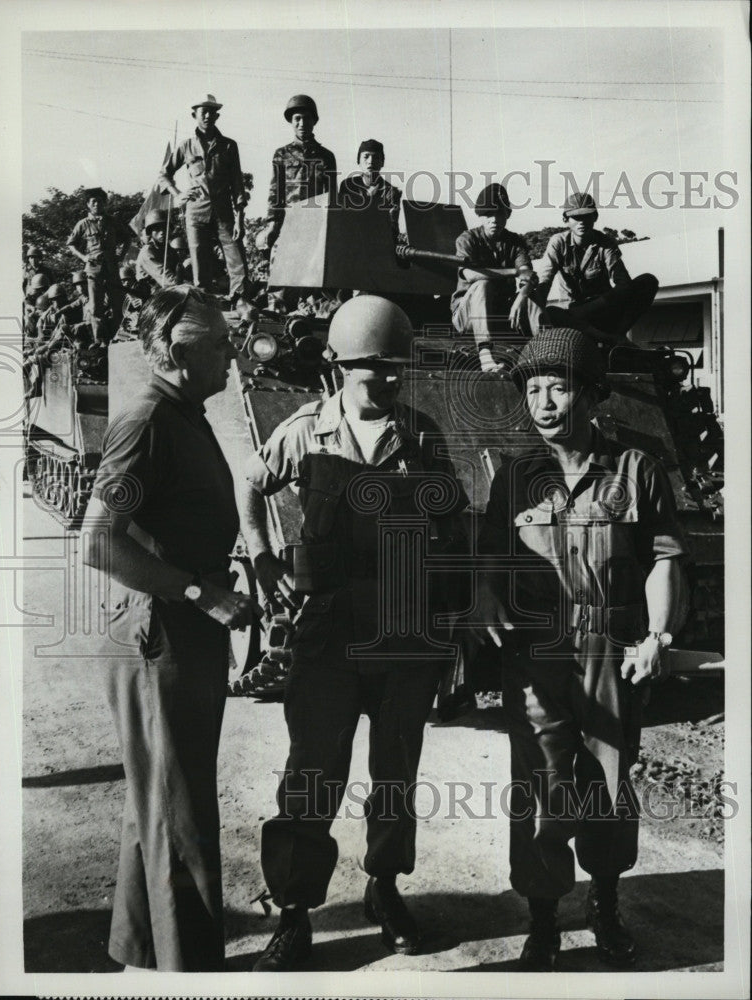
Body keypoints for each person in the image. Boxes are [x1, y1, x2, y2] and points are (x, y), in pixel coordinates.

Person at [242, 295, 467, 971]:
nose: (390, 382)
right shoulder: (304, 430)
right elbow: (250, 485)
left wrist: (451, 620)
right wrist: (260, 555)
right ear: (339, 367)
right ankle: (293, 911)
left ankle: (383, 888)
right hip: (327, 634)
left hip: (404, 632)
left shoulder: (422, 436)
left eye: (397, 370)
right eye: (375, 372)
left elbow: (451, 527)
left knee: (394, 773)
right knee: (311, 774)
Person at [474, 326, 688, 971]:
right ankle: (543, 920)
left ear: (591, 396)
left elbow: (665, 559)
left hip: (612, 650)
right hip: (536, 652)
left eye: (558, 388)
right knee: (539, 785)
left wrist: (658, 636)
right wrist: (485, 599)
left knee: (607, 780)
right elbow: (489, 557)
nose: (543, 402)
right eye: (533, 389)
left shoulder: (636, 470)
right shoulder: (515, 476)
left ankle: (605, 904)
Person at [82, 285, 263, 971]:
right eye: (221, 343)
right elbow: (99, 541)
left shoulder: (184, 414)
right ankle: (188, 971)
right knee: (180, 813)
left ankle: (140, 953)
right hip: (160, 635)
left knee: (158, 800)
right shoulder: (149, 420)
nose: (232, 353)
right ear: (184, 351)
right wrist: (198, 592)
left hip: (181, 629)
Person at [533, 193, 659, 344]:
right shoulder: (557, 243)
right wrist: (538, 314)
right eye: (576, 217)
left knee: (648, 281)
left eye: (587, 216)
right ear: (565, 220)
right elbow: (543, 282)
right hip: (573, 316)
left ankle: (619, 334)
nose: (582, 222)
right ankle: (609, 339)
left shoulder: (605, 243)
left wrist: (593, 306)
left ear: (595, 217)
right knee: (550, 312)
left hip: (603, 309)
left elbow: (624, 283)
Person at [159, 95, 250, 304]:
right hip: (196, 212)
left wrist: (240, 217)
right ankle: (204, 305)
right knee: (200, 262)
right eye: (203, 112)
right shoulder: (186, 146)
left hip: (224, 210)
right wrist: (178, 194)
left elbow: (237, 182)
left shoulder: (228, 146)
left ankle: (241, 300)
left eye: (212, 112)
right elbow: (163, 175)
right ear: (194, 115)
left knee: (236, 256)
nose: (208, 116)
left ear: (217, 116)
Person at [451, 183, 541, 373]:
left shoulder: (514, 242)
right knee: (483, 284)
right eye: (488, 214)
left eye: (499, 214)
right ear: (480, 216)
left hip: (501, 313)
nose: (494, 220)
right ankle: (485, 354)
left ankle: (547, 353)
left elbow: (528, 274)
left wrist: (522, 295)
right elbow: (470, 274)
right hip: (467, 316)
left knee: (531, 299)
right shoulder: (467, 239)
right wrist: (513, 272)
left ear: (507, 215)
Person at [261, 94, 337, 255]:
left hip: (316, 224)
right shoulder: (281, 154)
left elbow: (332, 196)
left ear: (314, 121)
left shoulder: (326, 156)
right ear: (291, 121)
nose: (302, 123)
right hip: (289, 222)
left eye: (307, 118)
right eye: (297, 118)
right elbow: (275, 192)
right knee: (281, 270)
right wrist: (272, 223)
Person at [66, 187, 135, 343]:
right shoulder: (83, 224)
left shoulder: (112, 221)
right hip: (93, 270)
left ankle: (120, 336)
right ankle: (100, 341)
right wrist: (83, 257)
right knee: (96, 307)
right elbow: (71, 244)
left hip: (111, 268)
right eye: (94, 201)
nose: (97, 204)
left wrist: (121, 255)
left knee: (118, 304)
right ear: (88, 205)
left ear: (105, 203)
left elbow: (127, 238)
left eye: (101, 201)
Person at [338, 139, 401, 238]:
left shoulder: (390, 191)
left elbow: (391, 227)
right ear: (358, 161)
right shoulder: (348, 185)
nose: (370, 161)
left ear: (382, 162)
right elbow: (341, 219)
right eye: (366, 157)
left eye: (376, 157)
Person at [135, 209, 179, 293]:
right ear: (150, 232)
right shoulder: (147, 251)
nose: (162, 232)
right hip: (150, 296)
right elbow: (166, 278)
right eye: (157, 229)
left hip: (168, 291)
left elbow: (181, 273)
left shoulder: (171, 251)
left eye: (165, 228)